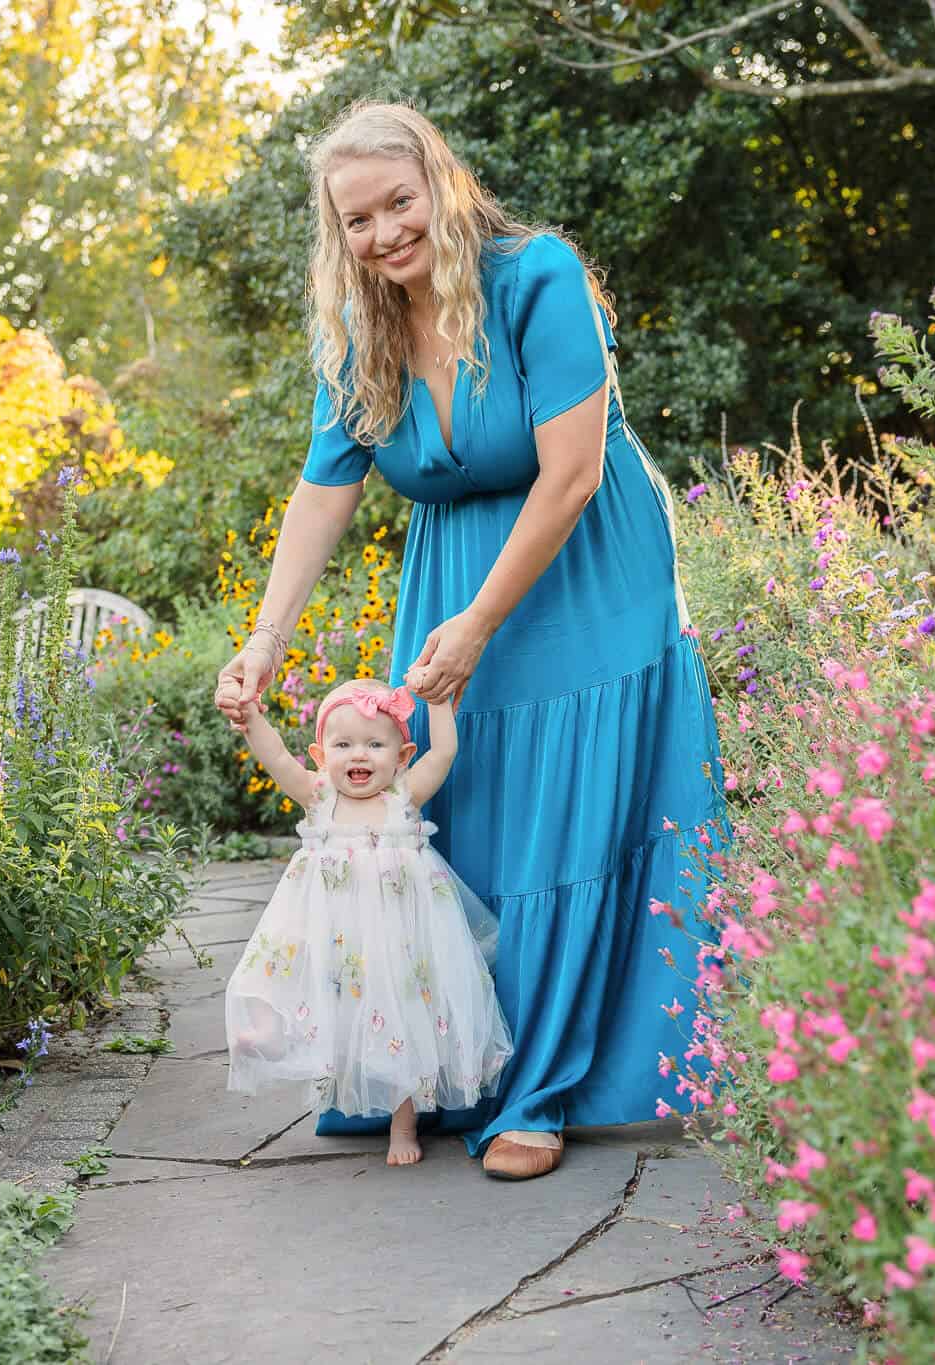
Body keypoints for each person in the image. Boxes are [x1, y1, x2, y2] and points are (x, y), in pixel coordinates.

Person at [213, 99, 729, 1181]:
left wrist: (483, 623)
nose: (384, 232)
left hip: (583, 569)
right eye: (356, 219)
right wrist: (263, 637)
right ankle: (450, 1070)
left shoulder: (536, 275)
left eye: (398, 202)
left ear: (439, 183)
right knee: (461, 824)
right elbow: (322, 489)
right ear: (336, 232)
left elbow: (575, 472)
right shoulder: (355, 328)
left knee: (567, 832)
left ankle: (538, 1096)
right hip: (451, 580)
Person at [224, 678, 513, 1167]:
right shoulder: (319, 797)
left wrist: (439, 703)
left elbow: (443, 753)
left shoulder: (404, 795)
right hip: (331, 935)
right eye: (343, 745)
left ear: (401, 755)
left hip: (397, 943)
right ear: (320, 754)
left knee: (400, 1020)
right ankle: (272, 1030)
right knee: (289, 971)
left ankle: (404, 1127)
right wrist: (251, 719)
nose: (358, 755)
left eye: (375, 744)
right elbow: (276, 760)